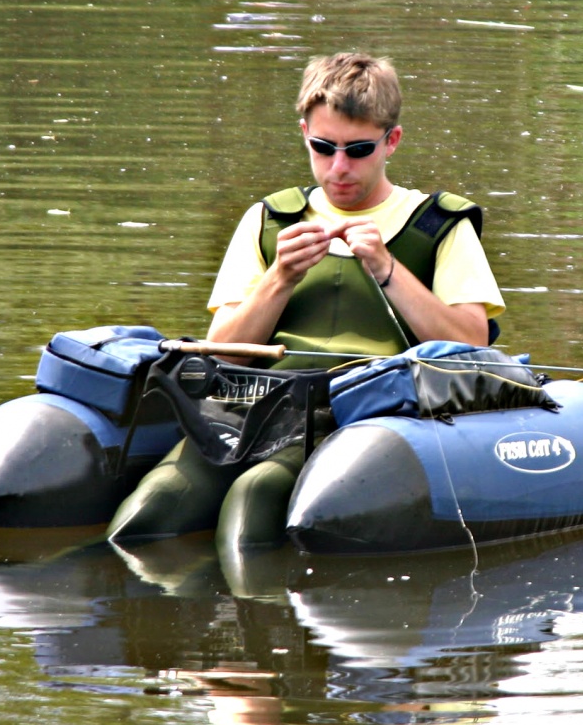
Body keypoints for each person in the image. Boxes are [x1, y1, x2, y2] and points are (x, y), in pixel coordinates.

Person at [107, 52, 505, 550]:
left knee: (256, 496)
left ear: (392, 141)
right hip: (254, 407)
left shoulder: (439, 225)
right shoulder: (271, 219)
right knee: (153, 506)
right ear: (305, 135)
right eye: (323, 147)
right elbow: (225, 352)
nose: (339, 167)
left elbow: (470, 347)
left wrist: (387, 268)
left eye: (358, 149)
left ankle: (261, 612)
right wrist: (281, 276)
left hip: (362, 415)